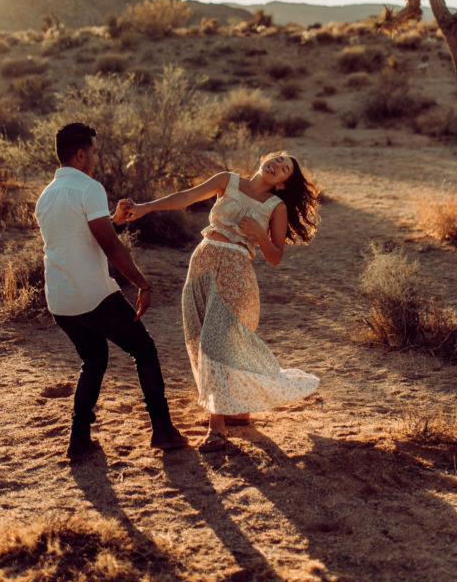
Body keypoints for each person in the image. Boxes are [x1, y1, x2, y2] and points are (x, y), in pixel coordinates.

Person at [126, 151, 320, 452]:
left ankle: (216, 430)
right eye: (277, 159)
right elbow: (186, 197)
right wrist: (144, 208)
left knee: (214, 342)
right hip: (202, 264)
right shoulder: (227, 180)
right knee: (199, 338)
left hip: (236, 272)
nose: (276, 166)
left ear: (282, 184)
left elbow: (275, 257)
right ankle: (237, 410)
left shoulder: (276, 206)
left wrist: (259, 234)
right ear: (265, 158)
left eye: (284, 169)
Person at [34, 121, 188, 460]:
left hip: (60, 299)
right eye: (92, 152)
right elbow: (111, 248)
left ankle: (78, 440)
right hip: (93, 295)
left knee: (94, 359)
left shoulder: (46, 196)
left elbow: (81, 235)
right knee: (144, 350)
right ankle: (162, 430)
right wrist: (143, 285)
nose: (94, 159)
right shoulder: (89, 188)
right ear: (80, 153)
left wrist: (114, 219)